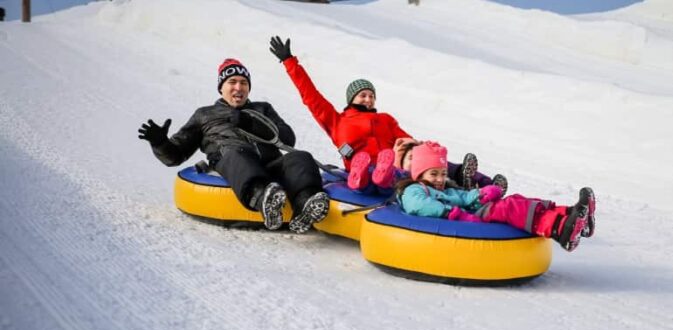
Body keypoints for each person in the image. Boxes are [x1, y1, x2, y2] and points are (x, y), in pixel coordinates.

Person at [268, 36, 506, 194]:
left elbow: (406, 140)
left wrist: (423, 150)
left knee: (433, 162)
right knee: (378, 171)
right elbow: (311, 96)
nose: (368, 99)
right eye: (362, 95)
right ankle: (364, 175)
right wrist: (290, 62)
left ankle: (482, 182)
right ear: (351, 99)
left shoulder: (385, 119)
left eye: (371, 95)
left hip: (394, 163)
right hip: (364, 166)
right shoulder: (336, 120)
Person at [138, 58, 330, 233]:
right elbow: (175, 155)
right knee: (238, 152)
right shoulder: (204, 115)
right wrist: (160, 142)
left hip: (271, 165)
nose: (238, 87)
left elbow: (288, 139)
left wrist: (251, 123)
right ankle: (264, 199)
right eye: (232, 82)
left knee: (301, 156)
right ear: (221, 87)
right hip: (234, 162)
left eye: (244, 83)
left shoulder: (262, 109)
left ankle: (305, 206)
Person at [396, 141, 596, 252]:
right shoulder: (415, 189)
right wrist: (452, 213)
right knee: (510, 208)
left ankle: (572, 215)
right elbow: (419, 206)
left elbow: (463, 197)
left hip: (474, 211)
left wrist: (481, 194)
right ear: (419, 173)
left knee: (517, 200)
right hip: (470, 219)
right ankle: (561, 229)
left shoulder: (446, 190)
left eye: (443, 173)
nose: (440, 178)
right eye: (434, 173)